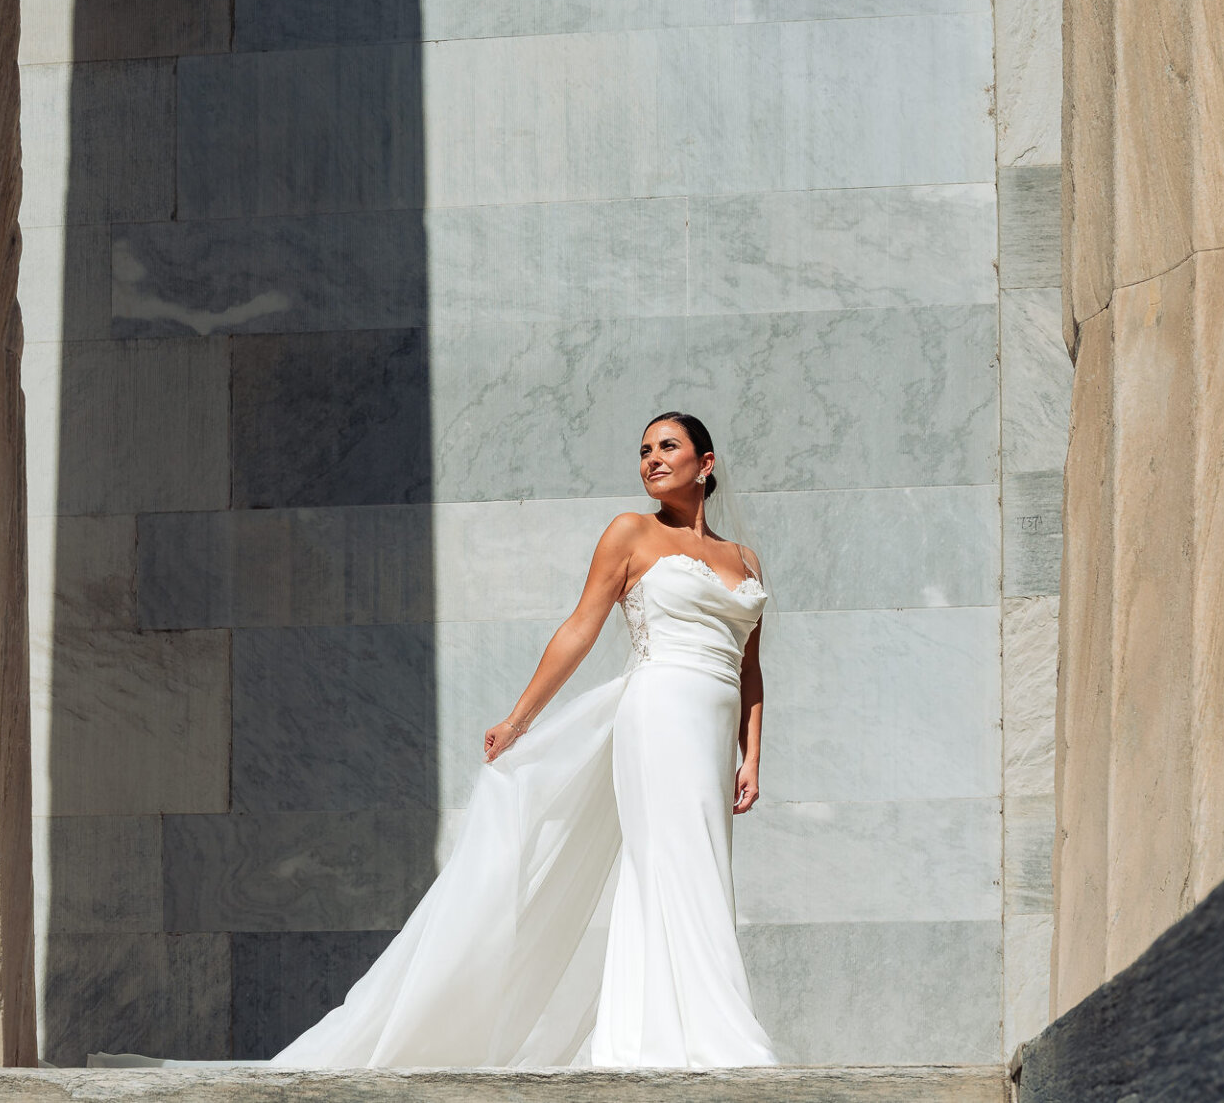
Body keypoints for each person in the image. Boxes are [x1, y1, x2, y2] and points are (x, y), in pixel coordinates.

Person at [94, 411, 775, 1069]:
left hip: (712, 732)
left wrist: (753, 754)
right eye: (643, 450)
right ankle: (686, 1038)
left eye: (667, 447)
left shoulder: (742, 557)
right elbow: (579, 629)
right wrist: (520, 719)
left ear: (705, 464)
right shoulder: (630, 533)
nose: (650, 459)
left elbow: (748, 666)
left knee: (703, 863)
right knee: (669, 861)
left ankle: (684, 1030)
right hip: (655, 712)